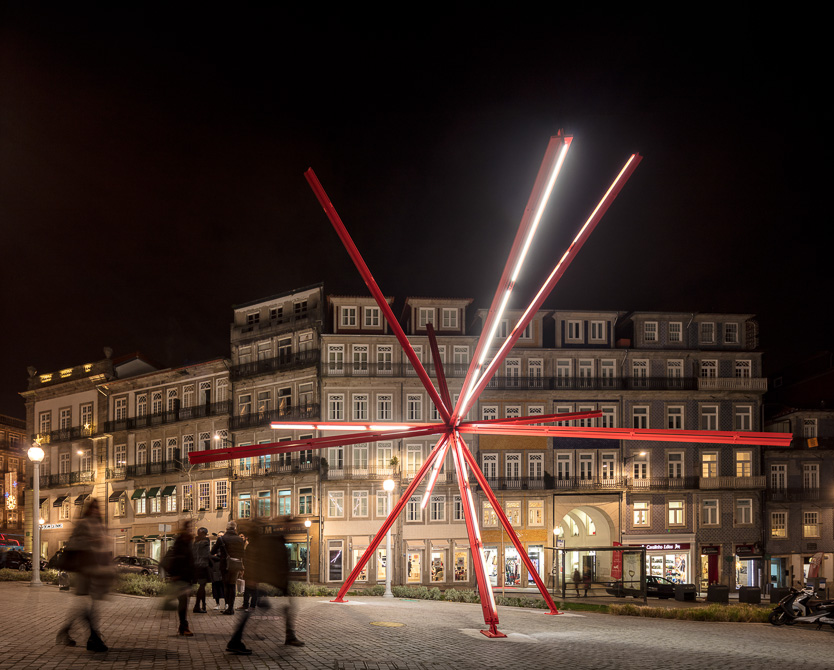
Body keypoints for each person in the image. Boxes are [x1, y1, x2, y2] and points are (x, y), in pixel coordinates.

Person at [225, 521, 304, 655]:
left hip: (274, 583)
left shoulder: (274, 540)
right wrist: (254, 578)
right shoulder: (270, 541)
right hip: (269, 582)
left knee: (274, 608)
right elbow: (263, 561)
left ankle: (289, 635)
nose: (292, 528)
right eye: (289, 525)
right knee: (255, 610)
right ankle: (235, 640)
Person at [55, 498, 114, 652]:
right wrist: (91, 540)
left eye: (97, 508)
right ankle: (93, 637)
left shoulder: (101, 525)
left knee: (91, 605)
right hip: (86, 569)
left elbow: (105, 547)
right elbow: (74, 542)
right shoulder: (83, 524)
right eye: (93, 508)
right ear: (88, 509)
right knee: (88, 606)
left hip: (99, 569)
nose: (95, 510)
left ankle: (69, 631)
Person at [165, 521, 196, 636]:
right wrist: (175, 575)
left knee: (183, 602)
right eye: (190, 528)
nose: (192, 530)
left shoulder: (187, 541)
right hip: (181, 577)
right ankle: (183, 626)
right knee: (183, 602)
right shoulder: (181, 541)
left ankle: (183, 626)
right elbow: (179, 559)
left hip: (185, 576)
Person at [211, 520, 244, 614]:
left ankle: (227, 607)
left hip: (225, 565)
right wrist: (242, 567)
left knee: (226, 585)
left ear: (226, 528)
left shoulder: (222, 539)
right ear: (235, 528)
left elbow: (213, 551)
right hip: (236, 565)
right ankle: (231, 608)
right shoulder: (240, 539)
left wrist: (220, 555)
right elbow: (242, 554)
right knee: (232, 585)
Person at [192, 527, 210, 614]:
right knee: (202, 586)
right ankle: (197, 605)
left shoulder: (195, 542)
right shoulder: (206, 542)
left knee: (202, 586)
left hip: (195, 566)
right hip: (203, 566)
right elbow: (207, 555)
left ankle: (202, 605)